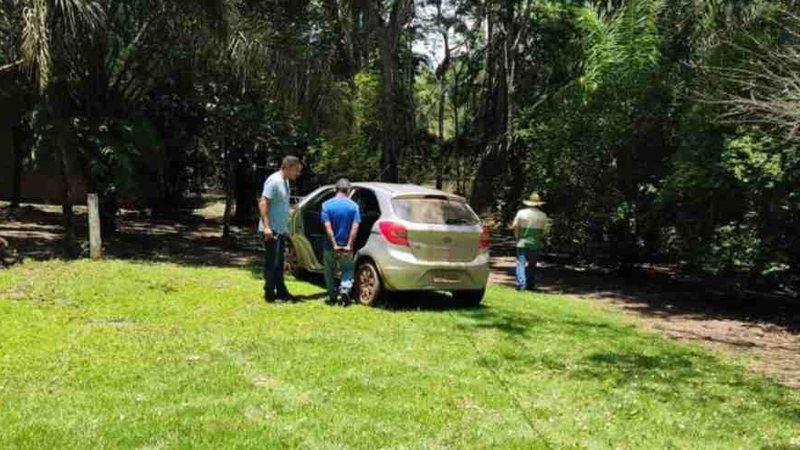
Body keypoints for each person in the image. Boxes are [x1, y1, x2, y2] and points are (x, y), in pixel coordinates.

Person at [258, 155, 303, 303]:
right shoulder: (274, 181)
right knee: (272, 263)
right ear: (287, 167)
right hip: (272, 230)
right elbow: (263, 202)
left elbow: (281, 205)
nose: (297, 173)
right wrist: (266, 227)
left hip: (281, 229)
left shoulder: (285, 182)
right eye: (296, 170)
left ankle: (281, 291)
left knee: (279, 263)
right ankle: (269, 293)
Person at [321, 179, 361, 306]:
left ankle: (332, 296)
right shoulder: (354, 207)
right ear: (348, 190)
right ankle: (345, 289)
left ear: (335, 189)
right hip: (346, 245)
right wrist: (349, 244)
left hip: (329, 246)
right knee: (347, 269)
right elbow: (355, 227)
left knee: (329, 270)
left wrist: (334, 244)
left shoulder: (326, 205)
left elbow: (328, 227)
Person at [511, 192, 549, 291]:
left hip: (522, 241)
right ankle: (530, 284)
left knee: (521, 262)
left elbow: (515, 226)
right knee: (532, 264)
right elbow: (544, 231)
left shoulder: (521, 213)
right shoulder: (543, 215)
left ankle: (521, 284)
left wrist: (517, 237)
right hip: (535, 243)